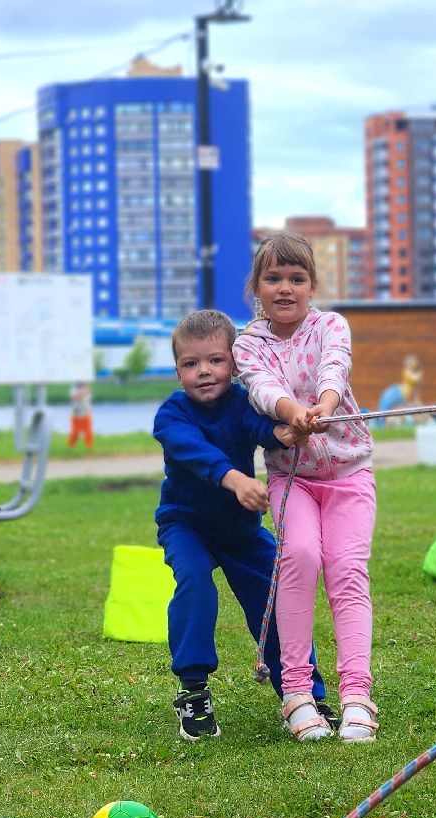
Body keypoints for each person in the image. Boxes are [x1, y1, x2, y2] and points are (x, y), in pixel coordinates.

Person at [155, 309, 330, 741]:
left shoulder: (241, 401)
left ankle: (302, 692)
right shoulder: (171, 415)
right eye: (190, 364)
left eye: (214, 360)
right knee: (195, 584)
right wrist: (234, 479)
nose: (204, 372)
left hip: (242, 531)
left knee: (275, 598)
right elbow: (191, 450)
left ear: (233, 365)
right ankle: (193, 689)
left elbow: (260, 426)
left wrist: (285, 433)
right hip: (187, 526)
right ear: (177, 372)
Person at [234, 232, 379, 743]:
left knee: (346, 570)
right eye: (273, 278)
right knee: (299, 557)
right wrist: (292, 413)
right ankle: (296, 692)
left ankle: (357, 694)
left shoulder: (330, 326)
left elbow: (334, 365)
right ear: (257, 286)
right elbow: (261, 386)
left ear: (313, 285)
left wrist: (326, 401)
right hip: (291, 478)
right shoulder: (247, 342)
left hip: (348, 475)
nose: (285, 288)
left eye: (297, 279)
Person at [68, 380, 94, 449]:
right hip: (76, 414)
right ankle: (70, 446)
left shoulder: (87, 388)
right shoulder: (74, 388)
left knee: (88, 432)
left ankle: (89, 447)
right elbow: (73, 396)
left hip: (86, 414)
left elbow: (88, 396)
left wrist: (85, 391)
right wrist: (83, 392)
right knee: (75, 432)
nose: (84, 382)